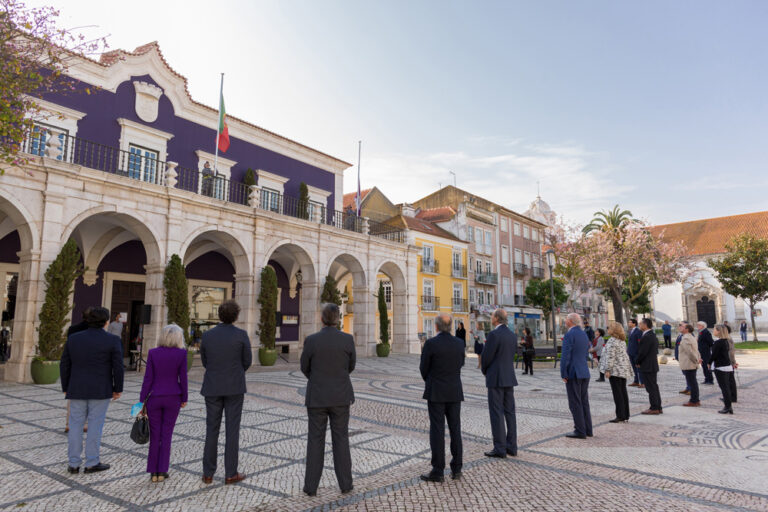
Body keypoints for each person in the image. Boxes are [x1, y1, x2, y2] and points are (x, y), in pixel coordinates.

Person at [301, 303, 356, 496]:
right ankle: (346, 484)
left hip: (317, 396)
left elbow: (304, 367)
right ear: (338, 319)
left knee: (315, 440)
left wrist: (318, 379)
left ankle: (310, 487)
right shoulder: (348, 340)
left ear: (322, 319)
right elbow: (351, 366)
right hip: (341, 396)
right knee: (341, 439)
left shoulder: (312, 340)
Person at [60, 306, 123, 474]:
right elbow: (118, 367)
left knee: (75, 425)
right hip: (101, 389)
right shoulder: (112, 340)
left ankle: (73, 463)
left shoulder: (74, 338)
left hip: (77, 387)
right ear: (106, 321)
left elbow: (65, 364)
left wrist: (66, 387)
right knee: (95, 424)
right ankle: (92, 462)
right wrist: (118, 388)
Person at [200, 300, 252, 485]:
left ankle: (208, 473)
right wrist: (235, 372)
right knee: (232, 430)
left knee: (211, 429)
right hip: (234, 387)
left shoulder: (207, 336)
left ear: (219, 315)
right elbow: (247, 361)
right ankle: (231, 473)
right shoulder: (241, 335)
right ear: (236, 316)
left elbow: (205, 361)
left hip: (213, 386)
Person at [140, 324, 188, 483]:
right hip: (173, 396)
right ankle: (162, 470)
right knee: (166, 434)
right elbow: (183, 378)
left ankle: (153, 472)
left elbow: (148, 378)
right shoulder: (181, 354)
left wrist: (142, 400)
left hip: (154, 397)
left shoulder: (153, 353)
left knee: (155, 435)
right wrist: (184, 398)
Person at [419, 312, 465, 483]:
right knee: (455, 429)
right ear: (451, 326)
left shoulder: (431, 344)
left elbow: (423, 368)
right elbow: (461, 363)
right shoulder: (459, 343)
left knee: (437, 431)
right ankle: (457, 468)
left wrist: (431, 380)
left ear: (436, 326)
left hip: (436, 392)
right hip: (454, 391)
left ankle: (438, 470)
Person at [481, 309, 518, 457]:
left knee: (496, 412)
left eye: (492, 316)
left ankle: (500, 448)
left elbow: (486, 357)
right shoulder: (511, 335)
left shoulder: (494, 335)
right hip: (509, 377)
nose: (491, 318)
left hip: (496, 378)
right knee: (510, 412)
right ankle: (512, 446)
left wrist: (485, 370)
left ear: (496, 318)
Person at [560, 313, 593, 439]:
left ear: (570, 321)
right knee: (584, 401)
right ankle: (588, 429)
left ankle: (580, 430)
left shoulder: (570, 334)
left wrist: (564, 372)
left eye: (566, 319)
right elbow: (586, 352)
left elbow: (565, 356)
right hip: (584, 371)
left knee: (575, 402)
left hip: (574, 372)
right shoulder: (583, 334)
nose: (565, 321)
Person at [65, 308, 94, 434]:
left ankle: (69, 424)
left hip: (75, 365)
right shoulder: (95, 331)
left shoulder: (72, 329)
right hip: (91, 365)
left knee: (73, 397)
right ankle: (85, 424)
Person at [599, 322, 634, 423]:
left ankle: (620, 415)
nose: (607, 329)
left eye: (608, 328)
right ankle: (625, 414)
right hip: (622, 369)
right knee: (623, 392)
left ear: (613, 330)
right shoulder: (621, 340)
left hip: (615, 370)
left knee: (617, 393)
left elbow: (611, 357)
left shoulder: (612, 341)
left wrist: (608, 370)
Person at [636, 318, 662, 415]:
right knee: (653, 386)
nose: (639, 325)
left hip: (648, 365)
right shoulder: (651, 335)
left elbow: (643, 352)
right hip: (651, 364)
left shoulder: (647, 336)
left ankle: (654, 407)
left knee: (651, 387)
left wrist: (637, 361)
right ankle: (658, 406)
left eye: (640, 323)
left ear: (645, 325)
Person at [711, 324, 734, 414]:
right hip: (726, 366)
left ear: (719, 331)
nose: (713, 331)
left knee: (724, 388)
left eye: (714, 329)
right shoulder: (725, 341)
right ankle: (729, 406)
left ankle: (727, 406)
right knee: (726, 387)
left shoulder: (719, 342)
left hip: (721, 367)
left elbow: (714, 355)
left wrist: (709, 362)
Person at [678, 323, 701, 407]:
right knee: (693, 382)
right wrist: (697, 359)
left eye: (682, 326)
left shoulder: (686, 338)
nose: (680, 327)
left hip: (689, 363)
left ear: (687, 329)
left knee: (692, 383)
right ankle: (695, 399)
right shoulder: (691, 336)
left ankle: (694, 400)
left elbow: (690, 352)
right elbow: (696, 350)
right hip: (691, 363)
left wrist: (695, 360)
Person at [626, 319, 644, 388]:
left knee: (639, 368)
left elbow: (640, 343)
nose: (628, 323)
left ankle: (642, 382)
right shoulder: (631, 331)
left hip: (636, 353)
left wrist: (639, 353)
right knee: (633, 368)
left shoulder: (638, 331)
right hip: (631, 352)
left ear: (634, 324)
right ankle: (636, 381)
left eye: (630, 322)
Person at [675, 322, 691, 395]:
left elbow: (690, 349)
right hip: (681, 358)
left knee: (689, 374)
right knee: (685, 374)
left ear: (686, 327)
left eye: (681, 325)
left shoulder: (688, 336)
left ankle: (691, 389)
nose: (679, 327)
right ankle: (688, 387)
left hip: (686, 359)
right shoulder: (680, 335)